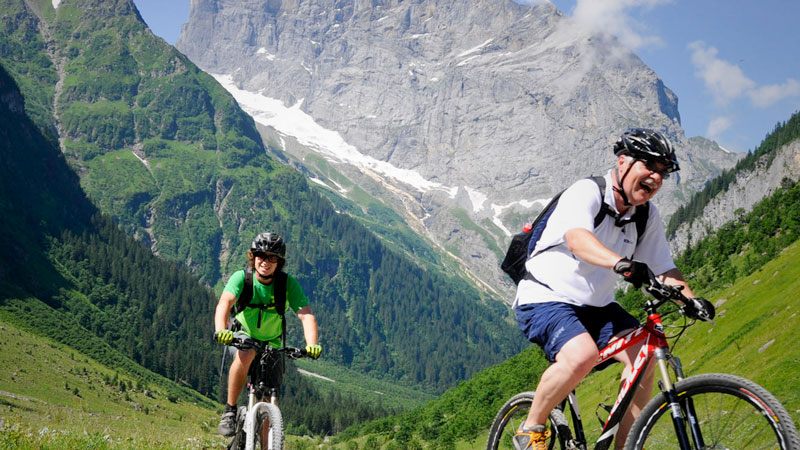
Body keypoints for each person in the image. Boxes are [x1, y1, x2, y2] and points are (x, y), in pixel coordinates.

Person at [512, 129, 715, 450]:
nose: (656, 177)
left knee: (647, 357)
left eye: (662, 171)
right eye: (649, 165)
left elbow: (664, 268)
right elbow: (578, 240)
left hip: (598, 306)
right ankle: (531, 426)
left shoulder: (646, 215)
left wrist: (691, 300)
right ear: (623, 161)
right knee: (581, 356)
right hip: (545, 297)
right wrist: (622, 264)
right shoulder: (587, 192)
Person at [213, 232, 322, 437]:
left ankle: (267, 443)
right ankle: (230, 409)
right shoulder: (242, 278)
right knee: (246, 353)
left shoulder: (286, 284)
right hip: (241, 335)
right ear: (253, 257)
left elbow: (306, 316)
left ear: (279, 262)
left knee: (269, 397)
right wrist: (221, 330)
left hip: (272, 341)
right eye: (261, 255)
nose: (266, 261)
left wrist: (312, 344)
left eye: (272, 257)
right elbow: (224, 304)